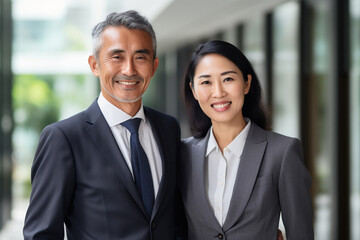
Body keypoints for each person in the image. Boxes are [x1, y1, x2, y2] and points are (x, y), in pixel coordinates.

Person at [23, 10, 184, 240]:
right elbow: (41, 234)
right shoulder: (63, 138)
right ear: (95, 65)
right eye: (117, 57)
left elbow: (175, 220)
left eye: (140, 57)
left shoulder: (168, 128)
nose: (129, 69)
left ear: (154, 65)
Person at [179, 40, 314, 240]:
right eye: (206, 82)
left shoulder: (282, 151)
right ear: (194, 91)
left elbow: (301, 234)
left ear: (246, 83)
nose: (218, 92)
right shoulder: (182, 153)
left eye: (228, 79)